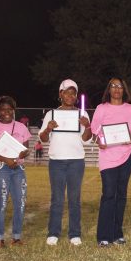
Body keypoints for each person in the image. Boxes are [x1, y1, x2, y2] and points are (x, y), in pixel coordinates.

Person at [39, 79, 92, 246]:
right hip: (57, 161)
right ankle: (53, 232)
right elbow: (43, 138)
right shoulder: (51, 114)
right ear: (60, 94)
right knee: (57, 198)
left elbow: (86, 140)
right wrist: (48, 128)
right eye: (67, 92)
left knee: (74, 198)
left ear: (76, 96)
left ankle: (74, 233)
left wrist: (88, 126)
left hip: (76, 161)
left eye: (73, 92)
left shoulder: (82, 115)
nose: (70, 95)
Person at [90, 77, 131, 247]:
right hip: (107, 157)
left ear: (124, 89)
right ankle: (103, 236)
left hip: (127, 155)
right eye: (113, 86)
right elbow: (95, 130)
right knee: (108, 194)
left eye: (120, 86)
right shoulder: (101, 108)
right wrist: (99, 141)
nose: (117, 89)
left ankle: (116, 234)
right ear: (109, 89)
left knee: (121, 195)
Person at [0, 96, 31, 247]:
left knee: (20, 203)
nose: (6, 112)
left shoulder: (21, 127)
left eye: (10, 109)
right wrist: (6, 160)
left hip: (18, 168)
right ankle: (0, 238)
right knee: (1, 203)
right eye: (3, 109)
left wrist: (23, 153)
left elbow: (26, 148)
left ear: (14, 110)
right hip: (1, 168)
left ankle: (16, 237)